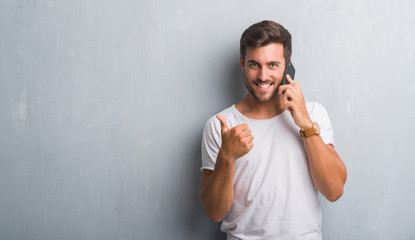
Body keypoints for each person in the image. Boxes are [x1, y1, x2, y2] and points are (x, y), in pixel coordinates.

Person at [200, 20, 347, 240]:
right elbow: (214, 212)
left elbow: (334, 191)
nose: (262, 76)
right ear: (242, 63)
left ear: (288, 65)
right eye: (254, 65)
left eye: (272, 65)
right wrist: (227, 157)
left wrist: (306, 125)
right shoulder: (220, 124)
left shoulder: (313, 114)